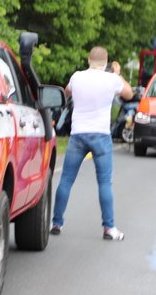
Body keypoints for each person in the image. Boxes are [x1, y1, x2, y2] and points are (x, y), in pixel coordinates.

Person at [51, 46, 133, 240]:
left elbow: (66, 92)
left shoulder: (77, 76)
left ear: (89, 59)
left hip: (78, 134)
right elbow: (129, 94)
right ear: (105, 62)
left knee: (66, 180)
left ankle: (56, 223)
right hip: (101, 136)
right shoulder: (111, 79)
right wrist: (118, 75)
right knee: (104, 182)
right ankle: (109, 228)